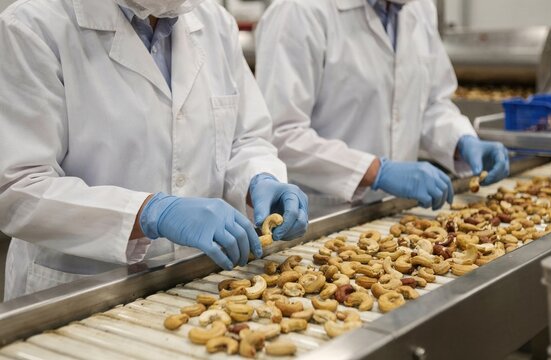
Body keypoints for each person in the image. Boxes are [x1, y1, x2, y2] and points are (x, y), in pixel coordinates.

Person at [0, 0, 308, 301]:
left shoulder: (214, 21)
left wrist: (259, 179)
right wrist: (149, 213)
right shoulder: (32, 26)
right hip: (79, 289)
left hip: (199, 282)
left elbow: (244, 138)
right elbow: (17, 188)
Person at [255, 0, 510, 209]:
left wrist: (461, 141)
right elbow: (279, 135)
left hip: (394, 213)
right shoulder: (299, 10)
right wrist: (376, 172)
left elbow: (429, 103)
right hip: (320, 212)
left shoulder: (418, 8)